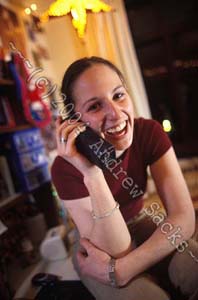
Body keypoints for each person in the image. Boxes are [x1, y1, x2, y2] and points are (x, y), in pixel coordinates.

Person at [51, 56, 198, 300]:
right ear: (74, 122)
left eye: (118, 95)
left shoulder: (149, 132)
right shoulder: (64, 169)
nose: (116, 114)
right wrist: (91, 172)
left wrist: (123, 270)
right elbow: (114, 249)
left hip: (141, 222)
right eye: (95, 106)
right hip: (97, 246)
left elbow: (183, 218)